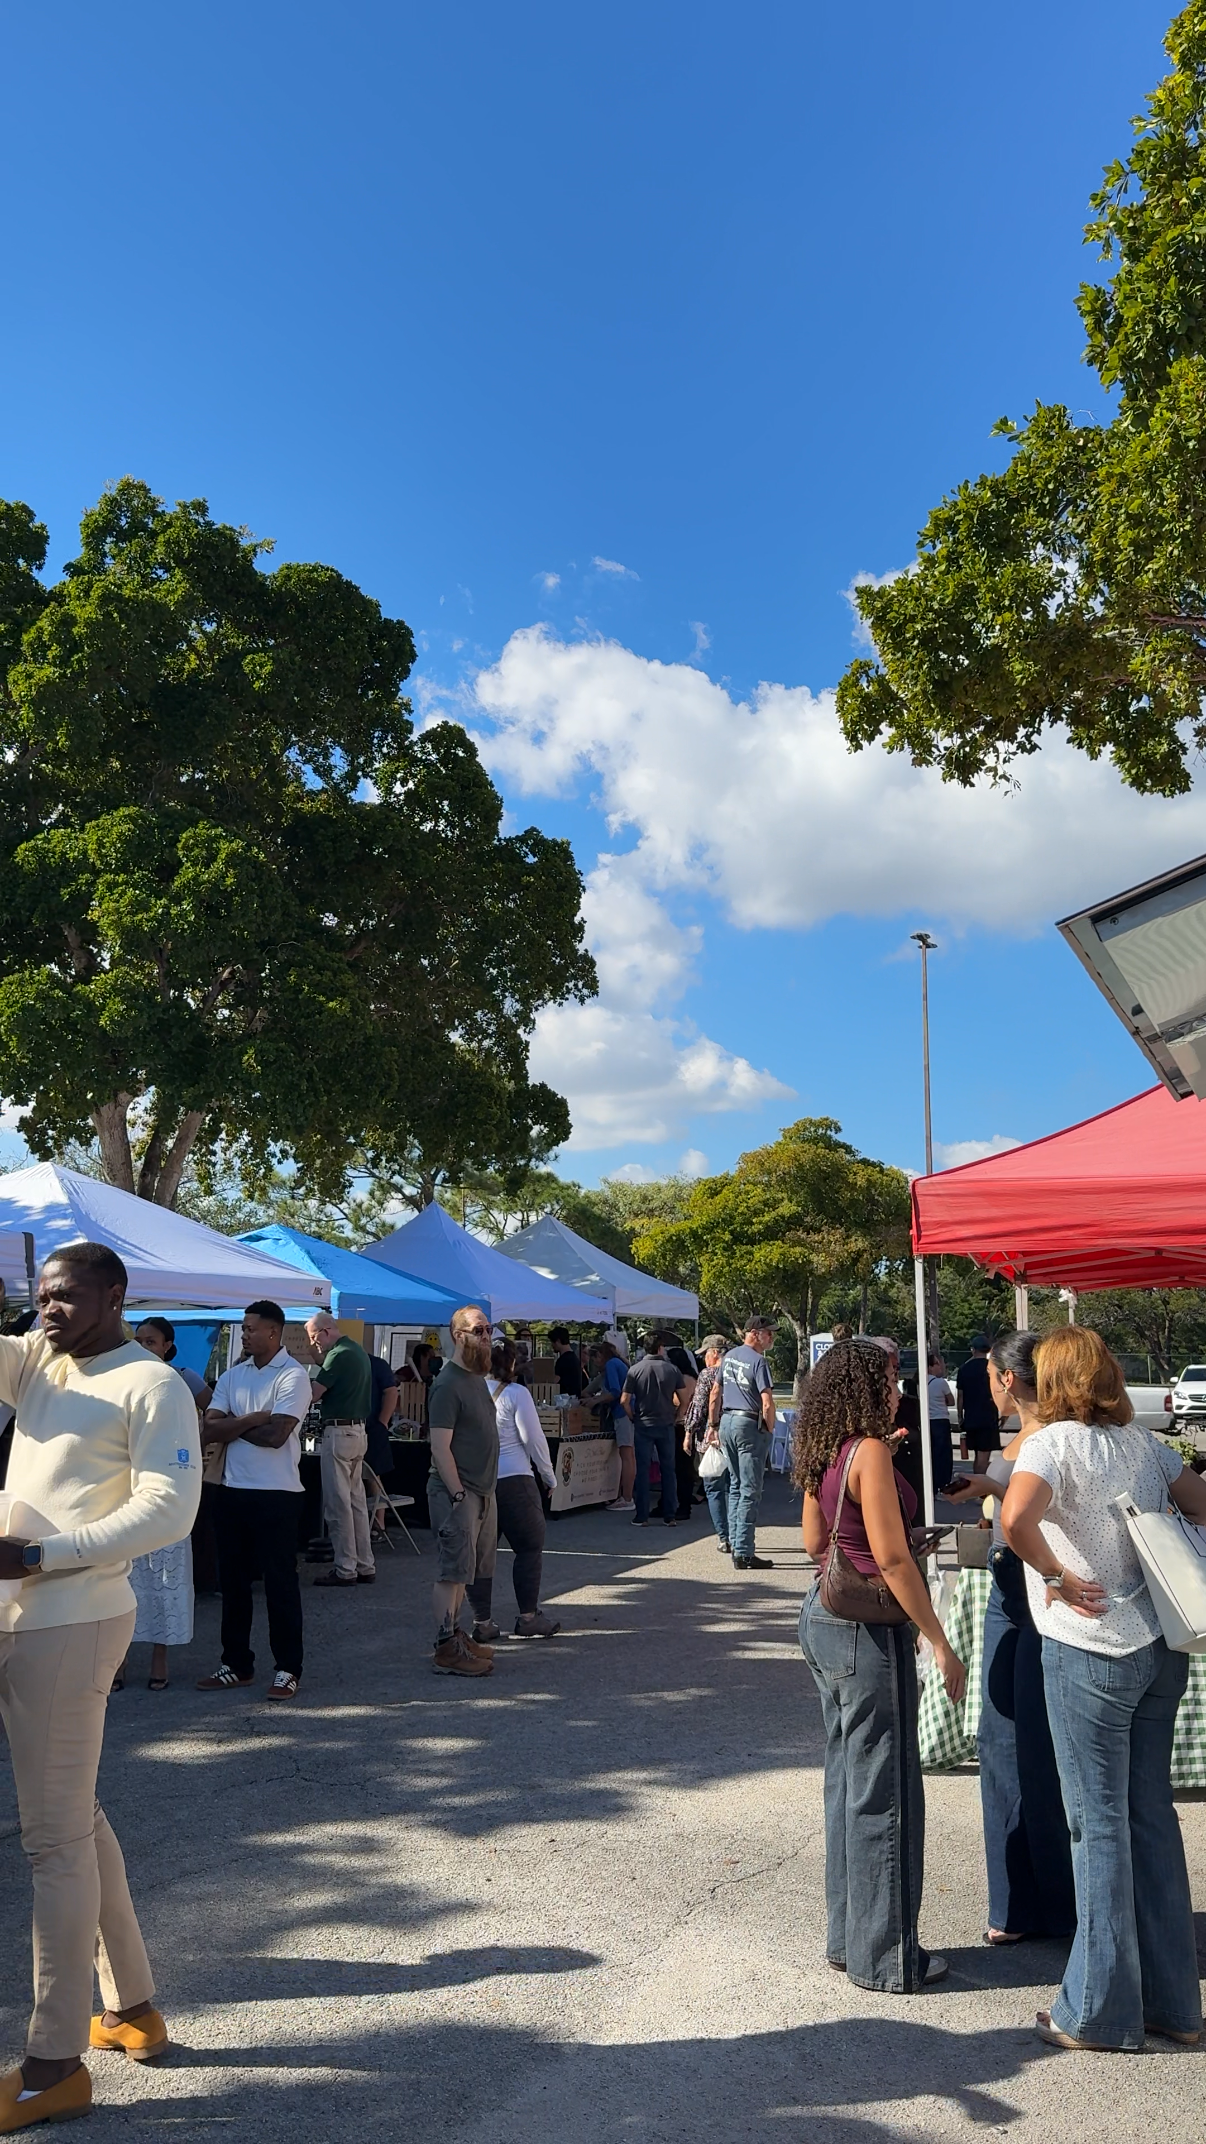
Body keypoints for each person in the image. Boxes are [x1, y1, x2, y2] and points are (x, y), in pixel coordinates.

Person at [0, 1243, 200, 2127]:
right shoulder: (40, 1356)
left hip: (72, 1619)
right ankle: (132, 2009)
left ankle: (53, 2063)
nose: (49, 1309)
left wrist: (43, 1554)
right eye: (41, 1296)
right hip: (27, 1617)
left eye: (68, 1297)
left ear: (115, 1297)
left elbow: (170, 1507)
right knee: (73, 1817)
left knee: (53, 1841)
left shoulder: (150, 1384)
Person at [1002, 1325, 1206, 2053]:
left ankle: (1098, 2010)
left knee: (1098, 1826)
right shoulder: (1146, 1445)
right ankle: (1176, 2004)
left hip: (1089, 1647)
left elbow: (1014, 1518)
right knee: (1151, 1819)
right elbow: (1202, 1505)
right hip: (1158, 1644)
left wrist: (1055, 1573)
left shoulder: (1052, 1444)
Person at [796, 1337, 966, 1995]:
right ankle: (887, 1958)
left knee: (848, 1784)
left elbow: (817, 1542)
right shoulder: (866, 1452)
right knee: (885, 1794)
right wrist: (939, 1641)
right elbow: (893, 1563)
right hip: (869, 1632)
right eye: (891, 1378)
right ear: (868, 1387)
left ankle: (850, 1941)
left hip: (824, 1618)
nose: (898, 1389)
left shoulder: (828, 1448)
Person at [946, 1332, 1074, 1945]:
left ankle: (1037, 1905)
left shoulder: (1046, 1438)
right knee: (1015, 1749)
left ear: (1004, 1378)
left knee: (1024, 1753)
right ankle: (1028, 1902)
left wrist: (999, 1497)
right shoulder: (1039, 1434)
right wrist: (990, 1491)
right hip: (1016, 1587)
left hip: (1027, 1593)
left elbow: (1033, 1515)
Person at [197, 1300, 313, 1702]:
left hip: (278, 1494)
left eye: (250, 1329)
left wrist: (231, 1425)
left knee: (280, 1585)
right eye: (243, 1328)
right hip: (232, 1491)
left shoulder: (293, 1377)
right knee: (233, 1584)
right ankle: (237, 1663)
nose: (243, 1334)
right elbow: (208, 1429)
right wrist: (250, 1419)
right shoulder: (233, 1375)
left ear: (273, 1333)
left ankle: (287, 1669)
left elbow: (277, 1436)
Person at [114, 1318, 212, 1692]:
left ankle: (160, 1658)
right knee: (125, 1578)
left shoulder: (182, 1377)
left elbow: (213, 1413)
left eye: (150, 1341)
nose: (143, 1346)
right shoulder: (121, 1378)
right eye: (138, 1340)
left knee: (166, 1578)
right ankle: (118, 1660)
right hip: (126, 1488)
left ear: (168, 1345)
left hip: (170, 1488)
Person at [466, 1340, 561, 1640]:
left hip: (479, 1481)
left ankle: (482, 1622)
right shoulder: (517, 1394)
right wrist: (549, 1476)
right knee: (530, 1547)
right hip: (515, 1479)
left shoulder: (470, 1391)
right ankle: (528, 1617)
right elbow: (533, 1439)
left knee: (481, 1554)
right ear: (511, 1364)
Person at [428, 1305, 500, 1676]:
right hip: (458, 1493)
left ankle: (456, 1634)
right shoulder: (447, 1383)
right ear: (459, 1336)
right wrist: (458, 1495)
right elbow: (440, 1447)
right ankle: (444, 1647)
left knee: (466, 1571)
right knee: (452, 1571)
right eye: (479, 1330)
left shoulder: (475, 1377)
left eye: (488, 1329)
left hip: (481, 1490)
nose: (487, 1336)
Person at [305, 1312, 375, 1589]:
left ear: (325, 1331)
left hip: (338, 1432)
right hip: (358, 1431)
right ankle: (364, 1564)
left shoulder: (338, 1355)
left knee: (338, 1505)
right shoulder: (355, 1350)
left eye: (313, 1338)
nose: (314, 1344)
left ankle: (345, 1567)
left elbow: (313, 1393)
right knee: (356, 1503)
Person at [709, 1314, 777, 1568]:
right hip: (748, 1423)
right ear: (755, 1333)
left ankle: (736, 1543)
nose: (771, 1337)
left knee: (736, 1486)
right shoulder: (758, 1362)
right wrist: (769, 1428)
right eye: (768, 1332)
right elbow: (767, 1401)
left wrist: (713, 1424)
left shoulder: (728, 1358)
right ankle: (744, 1551)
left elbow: (716, 1392)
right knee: (750, 1489)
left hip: (727, 1420)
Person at [622, 1334, 687, 1528]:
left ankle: (641, 1515)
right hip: (666, 1422)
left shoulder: (635, 1370)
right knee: (668, 1469)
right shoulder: (672, 1369)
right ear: (660, 1348)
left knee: (642, 1470)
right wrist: (677, 1415)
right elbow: (684, 1399)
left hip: (643, 1423)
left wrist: (632, 1416)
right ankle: (670, 1515)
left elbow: (624, 1400)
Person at [684, 1337, 730, 1550]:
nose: (703, 1359)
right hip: (736, 1434)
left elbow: (699, 1405)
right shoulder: (739, 1372)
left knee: (714, 1488)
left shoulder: (708, 1374)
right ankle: (740, 1535)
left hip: (711, 1438)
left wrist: (688, 1431)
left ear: (715, 1352)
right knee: (736, 1488)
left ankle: (724, 1536)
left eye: (705, 1354)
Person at [663, 1338, 700, 1524]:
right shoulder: (690, 1377)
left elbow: (681, 1403)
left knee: (682, 1467)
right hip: (685, 1424)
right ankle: (673, 1502)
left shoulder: (684, 1379)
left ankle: (684, 1505)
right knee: (678, 1466)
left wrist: (673, 1413)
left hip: (682, 1425)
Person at [957, 1333, 999, 1471]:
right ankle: (980, 1487)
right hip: (988, 1416)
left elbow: (960, 1396)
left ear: (973, 1350)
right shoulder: (992, 1369)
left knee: (977, 1455)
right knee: (984, 1456)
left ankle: (976, 1482)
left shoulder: (964, 1369)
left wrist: (960, 1416)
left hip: (971, 1417)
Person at [925, 1350, 955, 1495]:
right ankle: (943, 1484)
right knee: (943, 1455)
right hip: (940, 1420)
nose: (940, 1367)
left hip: (926, 1422)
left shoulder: (919, 1382)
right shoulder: (940, 1383)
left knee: (930, 1454)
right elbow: (951, 1401)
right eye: (937, 1364)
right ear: (930, 1367)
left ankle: (931, 1485)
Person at [550, 1328, 584, 1399]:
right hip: (574, 1398)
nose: (552, 1345)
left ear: (558, 1341)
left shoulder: (562, 1360)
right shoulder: (574, 1358)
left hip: (564, 1399)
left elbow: (555, 1382)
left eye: (552, 1342)